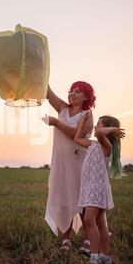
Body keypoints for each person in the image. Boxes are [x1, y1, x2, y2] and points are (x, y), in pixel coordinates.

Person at [42, 81, 95, 252]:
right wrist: (42, 70)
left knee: (81, 200)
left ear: (87, 96)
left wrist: (57, 123)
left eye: (77, 91)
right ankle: (66, 239)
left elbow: (76, 135)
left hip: (79, 163)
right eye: (71, 91)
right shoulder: (63, 108)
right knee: (63, 199)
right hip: (61, 162)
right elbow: (48, 92)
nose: (72, 94)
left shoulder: (87, 115)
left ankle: (88, 239)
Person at [74, 112, 125, 264]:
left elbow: (99, 133)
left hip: (97, 189)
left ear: (107, 130)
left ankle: (94, 256)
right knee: (101, 223)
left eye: (99, 123)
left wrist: (110, 130)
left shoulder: (105, 146)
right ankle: (105, 256)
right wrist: (82, 121)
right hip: (89, 187)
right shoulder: (93, 144)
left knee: (89, 220)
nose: (96, 126)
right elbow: (76, 138)